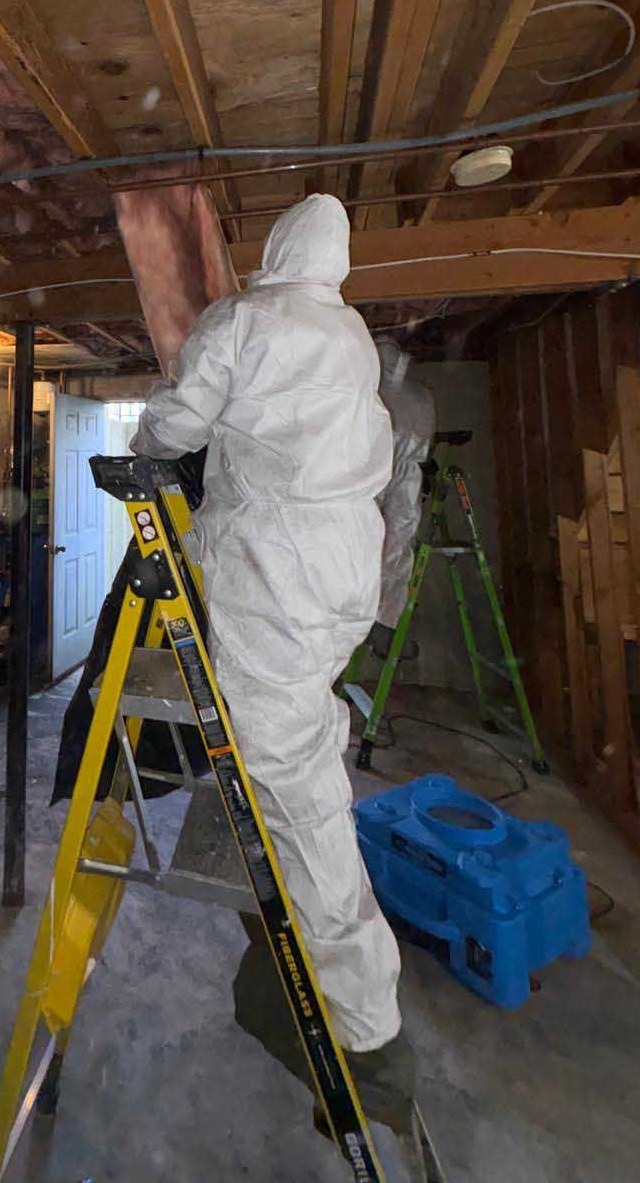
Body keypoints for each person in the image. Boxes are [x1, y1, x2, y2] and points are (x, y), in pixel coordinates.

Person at [129, 194, 418, 1150]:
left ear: (278, 251)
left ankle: (366, 1038)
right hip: (343, 572)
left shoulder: (248, 319)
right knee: (303, 738)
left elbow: (181, 417)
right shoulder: (351, 338)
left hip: (276, 574)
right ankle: (285, 964)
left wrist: (146, 448)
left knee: (295, 794)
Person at [369, 336, 437, 660]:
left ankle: (375, 627)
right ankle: (379, 628)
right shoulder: (420, 395)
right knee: (392, 549)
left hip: (375, 472)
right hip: (399, 472)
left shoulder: (362, 388)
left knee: (383, 548)